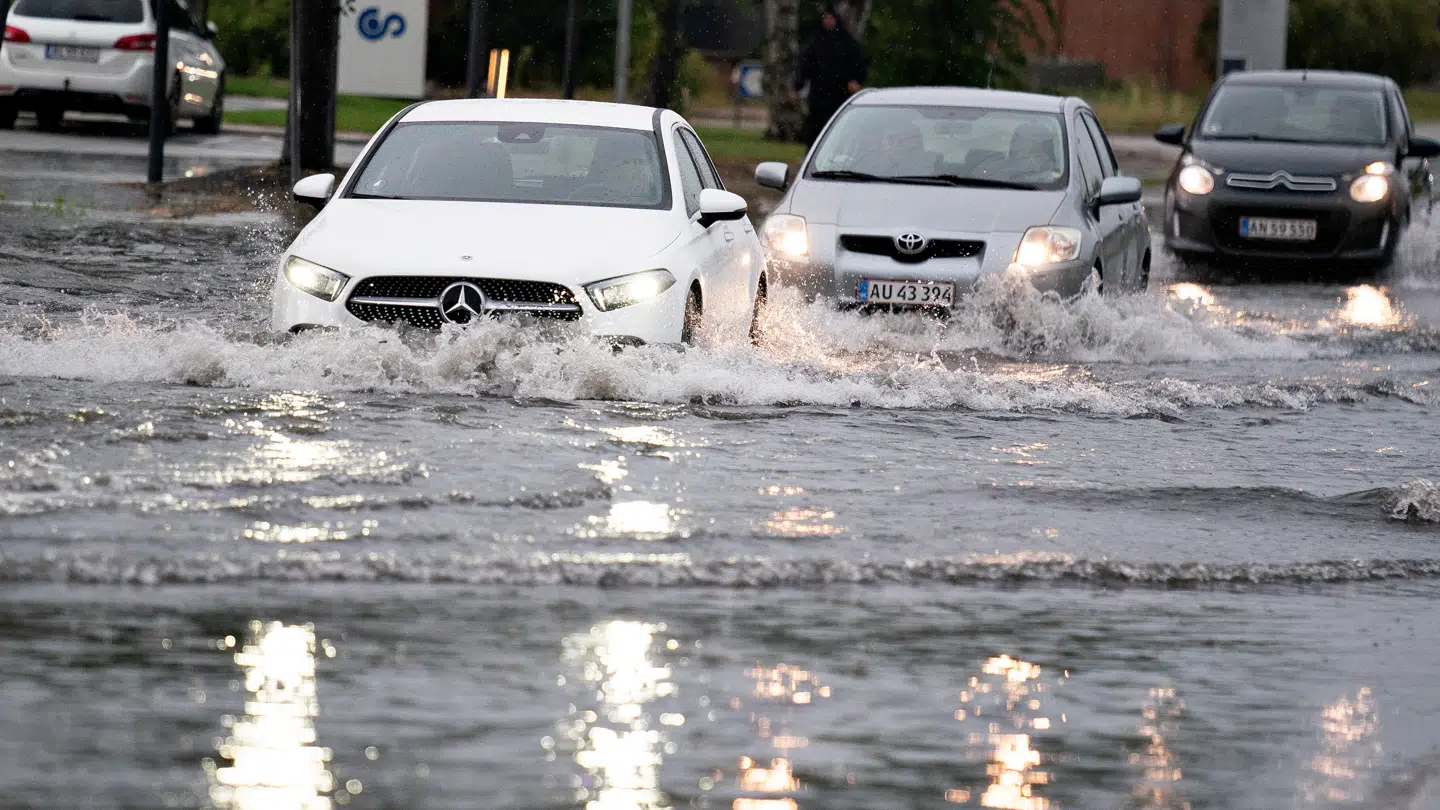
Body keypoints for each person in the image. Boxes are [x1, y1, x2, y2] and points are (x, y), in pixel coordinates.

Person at [792, 3, 868, 146]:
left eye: (830, 18)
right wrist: (797, 87)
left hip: (840, 93)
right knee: (816, 128)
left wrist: (855, 80)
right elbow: (805, 66)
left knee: (838, 126)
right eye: (825, 18)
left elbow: (858, 64)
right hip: (818, 94)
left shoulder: (847, 43)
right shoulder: (816, 42)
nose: (828, 21)